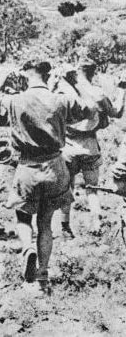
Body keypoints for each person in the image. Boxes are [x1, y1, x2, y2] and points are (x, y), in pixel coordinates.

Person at [0, 59, 91, 296]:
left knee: (23, 217)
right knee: (46, 223)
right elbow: (88, 109)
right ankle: (42, 276)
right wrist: (72, 83)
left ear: (24, 75)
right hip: (55, 166)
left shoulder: (14, 100)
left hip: (27, 167)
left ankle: (27, 247)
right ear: (48, 75)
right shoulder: (60, 98)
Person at [57, 59, 126, 237]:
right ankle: (96, 223)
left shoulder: (66, 93)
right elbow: (117, 112)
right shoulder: (97, 93)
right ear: (93, 72)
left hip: (68, 145)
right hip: (89, 145)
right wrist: (121, 88)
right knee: (92, 187)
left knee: (66, 187)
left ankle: (65, 226)